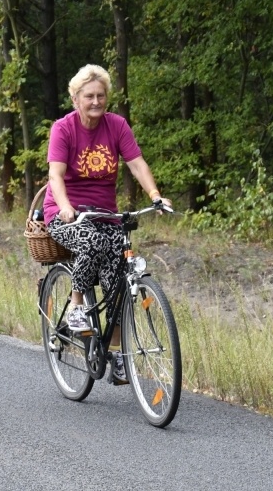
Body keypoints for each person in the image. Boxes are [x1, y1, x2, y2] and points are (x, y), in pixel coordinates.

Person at [44, 64, 171, 384]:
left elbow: (137, 164)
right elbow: (55, 176)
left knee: (118, 278)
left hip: (105, 215)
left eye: (101, 95)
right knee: (92, 242)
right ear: (75, 99)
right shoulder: (64, 128)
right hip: (66, 214)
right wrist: (65, 207)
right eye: (89, 96)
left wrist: (155, 195)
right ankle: (75, 307)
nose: (96, 101)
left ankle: (115, 354)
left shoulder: (117, 126)